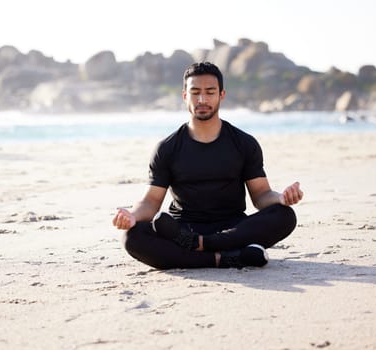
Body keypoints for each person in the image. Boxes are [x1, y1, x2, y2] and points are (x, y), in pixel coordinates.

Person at [112, 61, 303, 270]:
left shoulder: (244, 143)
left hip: (232, 229)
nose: (202, 99)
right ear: (185, 96)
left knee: (284, 215)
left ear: (221, 95)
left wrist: (280, 198)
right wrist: (132, 216)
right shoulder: (167, 148)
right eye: (195, 92)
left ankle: (201, 247)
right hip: (182, 229)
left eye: (210, 92)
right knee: (132, 237)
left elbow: (261, 195)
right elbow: (150, 202)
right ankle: (228, 258)